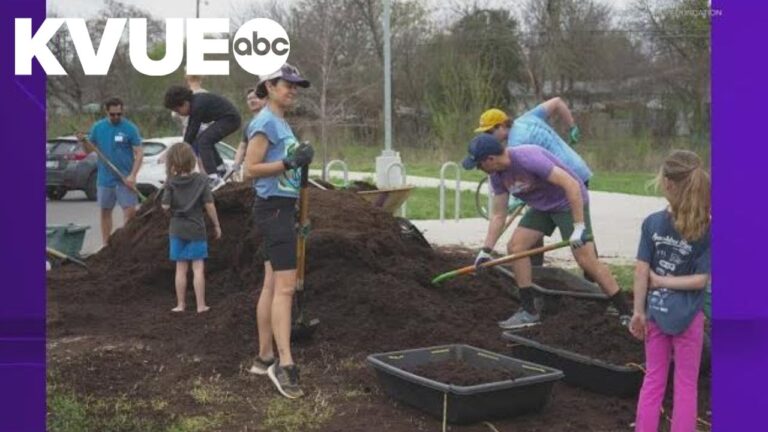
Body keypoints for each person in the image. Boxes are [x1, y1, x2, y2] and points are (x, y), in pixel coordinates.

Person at [462, 134, 630, 329]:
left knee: (585, 259)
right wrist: (486, 251)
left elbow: (572, 185)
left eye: (479, 165)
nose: (479, 169)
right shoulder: (496, 177)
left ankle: (625, 311)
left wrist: (578, 227)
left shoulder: (528, 157)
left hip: (568, 203)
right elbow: (499, 215)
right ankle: (528, 310)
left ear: (490, 159)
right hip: (542, 207)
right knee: (516, 247)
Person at [243, 63, 314, 399]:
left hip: (280, 208)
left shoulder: (280, 122)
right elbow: (250, 170)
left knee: (272, 284)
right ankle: (284, 365)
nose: (293, 90)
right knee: (285, 289)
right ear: (269, 86)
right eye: (288, 85)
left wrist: (299, 164)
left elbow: (289, 172)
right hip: (272, 209)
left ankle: (264, 357)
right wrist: (290, 162)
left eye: (296, 86)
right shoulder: (265, 123)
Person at [629, 150, 710, 432]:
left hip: (655, 314)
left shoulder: (652, 223)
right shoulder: (706, 227)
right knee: (686, 386)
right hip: (690, 319)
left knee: (653, 380)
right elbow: (701, 280)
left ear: (667, 184)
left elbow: (641, 271)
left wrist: (639, 311)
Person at [476, 99, 593, 271]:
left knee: (576, 231)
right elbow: (558, 102)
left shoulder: (517, 143)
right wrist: (571, 127)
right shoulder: (527, 118)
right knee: (534, 222)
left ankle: (540, 268)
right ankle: (534, 267)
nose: (486, 137)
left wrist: (514, 199)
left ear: (501, 126)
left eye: (488, 132)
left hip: (566, 180)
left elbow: (518, 176)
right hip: (571, 170)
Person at [161, 142, 222, 313]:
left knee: (180, 269)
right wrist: (216, 225)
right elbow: (209, 204)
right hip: (196, 229)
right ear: (192, 160)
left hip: (177, 229)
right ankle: (201, 305)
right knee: (198, 268)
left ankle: (180, 305)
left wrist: (171, 212)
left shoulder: (171, 182)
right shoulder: (202, 180)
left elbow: (165, 207)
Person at [76, 97, 143, 246]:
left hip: (125, 179)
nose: (116, 117)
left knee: (130, 213)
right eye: (112, 114)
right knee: (105, 212)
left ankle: (126, 245)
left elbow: (139, 153)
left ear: (122, 111)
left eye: (119, 114)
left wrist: (133, 175)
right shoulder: (98, 128)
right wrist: (83, 142)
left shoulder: (130, 128)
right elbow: (88, 150)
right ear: (107, 112)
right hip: (105, 180)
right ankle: (106, 245)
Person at [163, 86, 242, 189]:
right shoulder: (196, 102)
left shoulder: (198, 105)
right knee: (205, 139)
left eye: (178, 110)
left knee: (204, 141)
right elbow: (190, 130)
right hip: (227, 119)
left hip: (230, 119)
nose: (179, 114)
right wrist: (183, 147)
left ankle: (213, 177)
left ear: (185, 103)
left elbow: (193, 129)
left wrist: (182, 149)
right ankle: (221, 168)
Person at [231, 87, 267, 178]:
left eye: (255, 97)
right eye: (249, 99)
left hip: (269, 168)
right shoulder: (248, 125)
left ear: (264, 99)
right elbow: (242, 147)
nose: (252, 101)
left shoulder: (271, 121)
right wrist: (236, 166)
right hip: (251, 171)